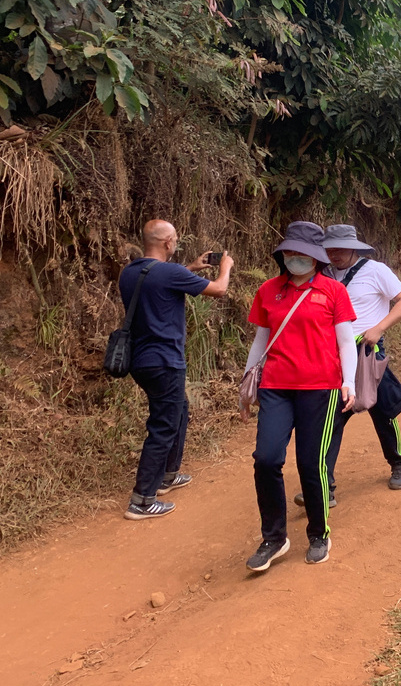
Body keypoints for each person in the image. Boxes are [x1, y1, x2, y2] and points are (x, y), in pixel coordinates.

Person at [243, 222, 357, 571]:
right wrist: (247, 382)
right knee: (266, 459)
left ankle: (319, 533)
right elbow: (262, 340)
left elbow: (345, 341)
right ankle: (274, 538)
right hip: (276, 387)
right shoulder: (268, 291)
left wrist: (348, 382)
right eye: (289, 253)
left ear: (316, 258)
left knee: (311, 464)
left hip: (320, 389)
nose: (295, 259)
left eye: (303, 254)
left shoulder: (333, 291)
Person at [118, 220, 234, 520]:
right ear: (168, 243)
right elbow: (220, 290)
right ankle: (142, 499)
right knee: (163, 425)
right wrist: (226, 267)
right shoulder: (170, 273)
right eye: (176, 240)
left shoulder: (131, 272)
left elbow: (162, 282)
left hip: (139, 360)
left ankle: (168, 474)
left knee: (179, 409)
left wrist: (191, 267)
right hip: (165, 360)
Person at [297, 224, 401, 508]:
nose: (334, 254)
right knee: (332, 418)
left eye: (339, 248)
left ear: (354, 247)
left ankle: (398, 462)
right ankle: (325, 485)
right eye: (330, 249)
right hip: (333, 355)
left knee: (383, 411)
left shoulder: (377, 271)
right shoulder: (321, 274)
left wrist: (378, 328)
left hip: (368, 351)